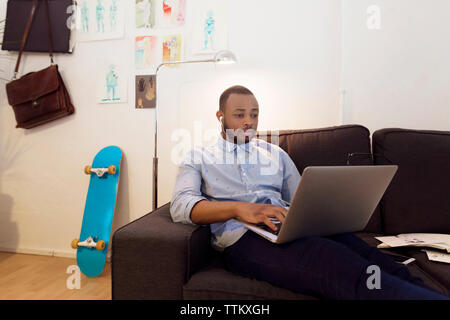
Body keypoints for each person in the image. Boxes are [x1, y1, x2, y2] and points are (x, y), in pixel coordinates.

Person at [170, 85, 449, 300]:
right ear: (220, 116)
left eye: (254, 114)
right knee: (344, 268)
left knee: (380, 261)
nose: (249, 122)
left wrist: (323, 214)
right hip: (245, 239)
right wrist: (239, 208)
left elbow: (301, 198)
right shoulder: (199, 157)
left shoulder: (274, 154)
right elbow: (182, 205)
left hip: (293, 227)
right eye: (239, 114)